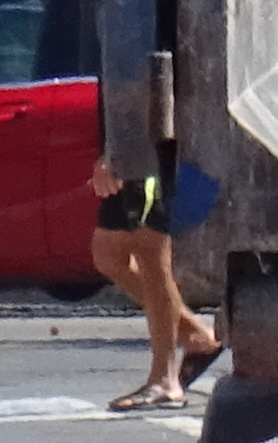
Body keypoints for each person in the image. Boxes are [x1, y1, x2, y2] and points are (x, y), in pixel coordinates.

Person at [86, 153, 222, 410]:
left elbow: (144, 112)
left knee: (150, 251)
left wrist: (117, 157)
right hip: (132, 156)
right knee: (108, 254)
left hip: (142, 159)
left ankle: (165, 380)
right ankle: (195, 336)